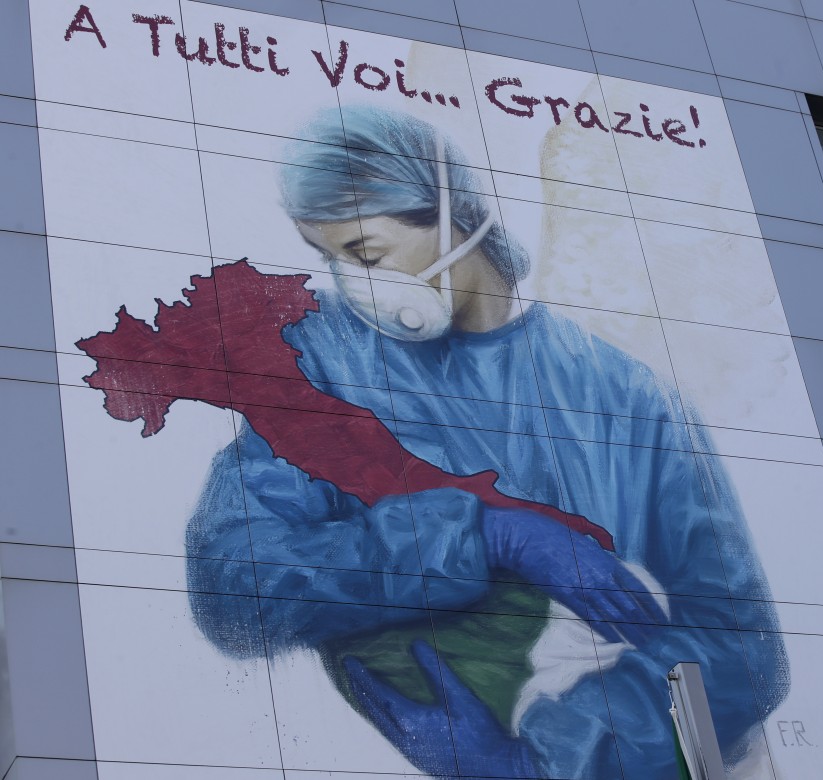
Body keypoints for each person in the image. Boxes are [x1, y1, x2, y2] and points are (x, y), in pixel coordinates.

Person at [186, 105, 789, 779]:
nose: (352, 286)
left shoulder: (627, 397)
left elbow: (744, 651)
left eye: (364, 254)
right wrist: (483, 536)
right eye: (326, 257)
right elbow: (236, 588)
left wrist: (545, 763)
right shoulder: (326, 366)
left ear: (452, 213)